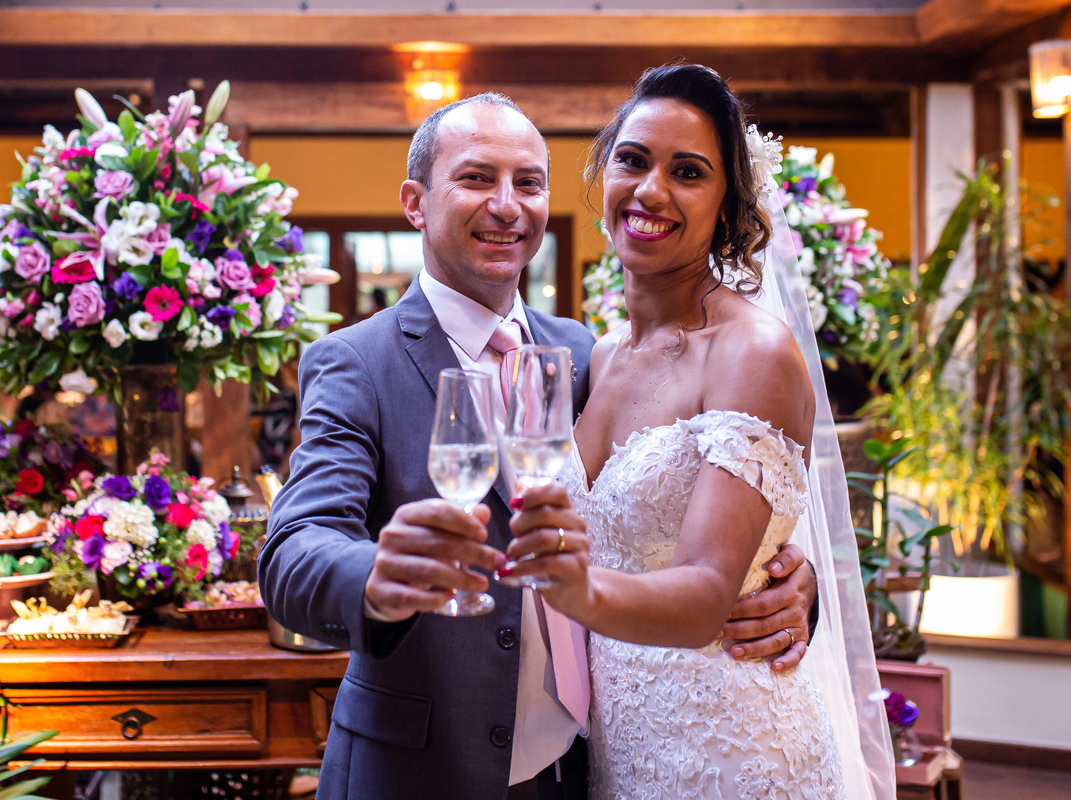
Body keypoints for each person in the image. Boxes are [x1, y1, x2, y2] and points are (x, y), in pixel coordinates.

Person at [259, 92, 819, 800]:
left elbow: (672, 522)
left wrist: (788, 581)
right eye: (474, 178)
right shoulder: (355, 362)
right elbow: (293, 550)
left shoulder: (590, 355)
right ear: (415, 202)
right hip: (427, 773)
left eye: (528, 182)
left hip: (586, 770)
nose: (507, 205)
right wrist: (377, 575)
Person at [504, 65, 894, 799]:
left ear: (727, 206)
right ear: (604, 172)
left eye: (688, 172)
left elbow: (710, 590)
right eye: (633, 160)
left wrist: (571, 586)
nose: (651, 191)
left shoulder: (754, 352)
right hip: (623, 750)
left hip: (733, 750)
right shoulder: (601, 355)